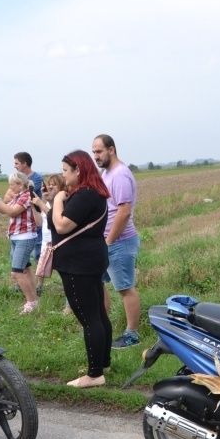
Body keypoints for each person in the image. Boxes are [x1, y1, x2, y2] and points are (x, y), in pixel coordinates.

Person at [49, 150, 111, 388]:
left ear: (78, 170)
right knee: (98, 313)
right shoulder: (95, 192)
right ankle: (103, 362)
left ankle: (94, 375)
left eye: (66, 171)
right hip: (91, 259)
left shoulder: (84, 195)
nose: (64, 176)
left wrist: (56, 201)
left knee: (88, 318)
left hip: (78, 264)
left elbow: (62, 225)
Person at [92, 134, 142, 349]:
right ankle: (103, 326)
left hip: (119, 241)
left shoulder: (120, 174)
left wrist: (108, 241)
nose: (96, 156)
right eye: (94, 152)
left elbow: (123, 212)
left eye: (99, 151)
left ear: (111, 150)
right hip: (108, 241)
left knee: (125, 288)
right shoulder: (107, 174)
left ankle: (132, 335)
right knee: (99, 283)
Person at [0, 171, 39, 314]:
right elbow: (4, 209)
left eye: (12, 185)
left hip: (25, 237)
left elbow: (11, 212)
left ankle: (31, 302)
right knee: (26, 269)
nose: (10, 188)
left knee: (16, 272)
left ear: (20, 184)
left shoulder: (27, 196)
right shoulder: (19, 196)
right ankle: (34, 299)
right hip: (17, 237)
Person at [31, 173, 72, 314]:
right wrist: (34, 206)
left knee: (68, 275)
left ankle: (70, 306)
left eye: (54, 184)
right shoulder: (50, 202)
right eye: (49, 183)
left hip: (61, 243)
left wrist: (42, 204)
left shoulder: (65, 201)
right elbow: (41, 222)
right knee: (63, 274)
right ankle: (70, 304)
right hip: (49, 243)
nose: (49, 187)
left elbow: (56, 219)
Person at [4, 152, 44, 271]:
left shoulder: (36, 178)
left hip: (32, 220)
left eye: (16, 163)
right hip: (21, 225)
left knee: (37, 253)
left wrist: (18, 198)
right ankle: (24, 282)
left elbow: (28, 195)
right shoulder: (17, 178)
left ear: (24, 164)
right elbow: (6, 198)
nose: (15, 166)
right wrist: (18, 197)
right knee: (22, 259)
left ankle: (39, 283)